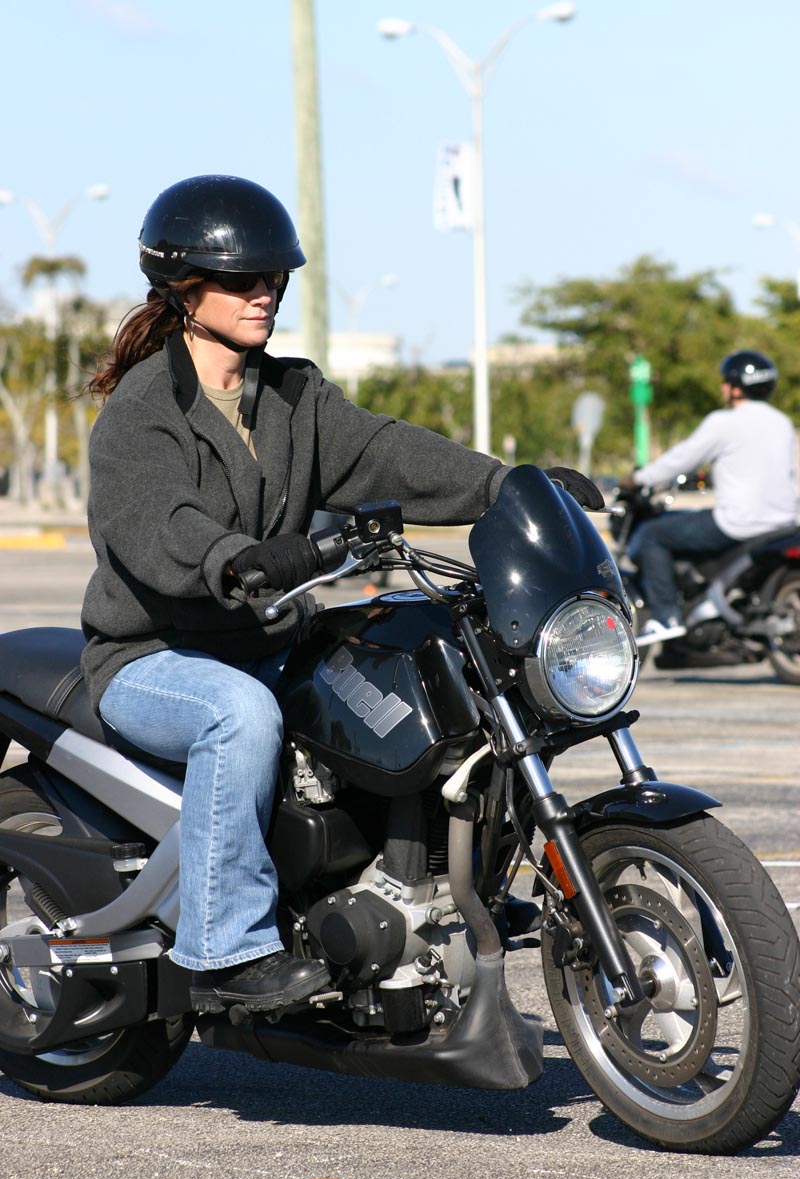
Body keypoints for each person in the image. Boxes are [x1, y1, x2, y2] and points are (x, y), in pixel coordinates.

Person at [80, 174, 604, 1015]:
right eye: (241, 280)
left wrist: (506, 484)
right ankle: (225, 952)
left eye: (273, 278)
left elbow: (388, 452)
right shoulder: (143, 411)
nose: (263, 293)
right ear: (182, 289)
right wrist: (236, 560)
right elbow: (158, 524)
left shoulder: (293, 397)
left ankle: (414, 892)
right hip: (155, 655)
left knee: (423, 669)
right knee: (238, 716)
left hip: (269, 638)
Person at [622, 349, 797, 646]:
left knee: (652, 534)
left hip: (738, 523)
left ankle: (666, 617)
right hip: (783, 522)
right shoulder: (782, 422)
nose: (722, 387)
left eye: (726, 382)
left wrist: (638, 479)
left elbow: (682, 458)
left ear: (737, 388)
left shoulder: (724, 422)